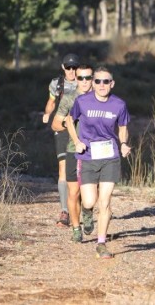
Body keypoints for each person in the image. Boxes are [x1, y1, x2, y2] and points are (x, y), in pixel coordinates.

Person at [65, 66, 131, 259]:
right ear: (93, 83)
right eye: (98, 81)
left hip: (110, 158)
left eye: (106, 81)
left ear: (112, 84)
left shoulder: (119, 104)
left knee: (105, 201)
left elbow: (123, 127)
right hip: (87, 158)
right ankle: (86, 210)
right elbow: (70, 120)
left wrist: (124, 143)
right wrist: (77, 142)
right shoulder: (82, 101)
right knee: (89, 201)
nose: (102, 85)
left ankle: (101, 243)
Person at [51, 64, 93, 243]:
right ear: (76, 79)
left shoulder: (98, 97)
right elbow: (55, 124)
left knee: (91, 192)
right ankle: (76, 228)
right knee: (73, 192)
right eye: (81, 78)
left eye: (88, 78)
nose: (85, 82)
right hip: (72, 149)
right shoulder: (69, 99)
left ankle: (88, 210)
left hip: (94, 151)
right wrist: (71, 131)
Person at [42, 53, 80, 227]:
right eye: (69, 67)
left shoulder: (85, 80)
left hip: (81, 128)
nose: (72, 71)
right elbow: (51, 101)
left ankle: (82, 205)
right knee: (63, 167)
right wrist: (47, 113)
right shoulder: (57, 83)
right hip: (63, 127)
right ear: (63, 67)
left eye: (74, 67)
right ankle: (65, 210)